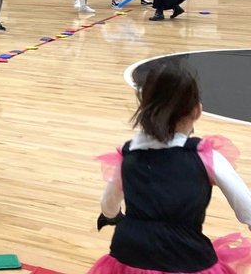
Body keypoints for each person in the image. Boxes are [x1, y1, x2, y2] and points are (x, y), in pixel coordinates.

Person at [91, 59, 251, 274]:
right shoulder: (205, 156)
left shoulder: (128, 155)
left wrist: (112, 215)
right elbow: (247, 210)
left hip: (129, 253)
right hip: (186, 257)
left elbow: (108, 204)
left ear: (144, 109)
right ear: (197, 110)